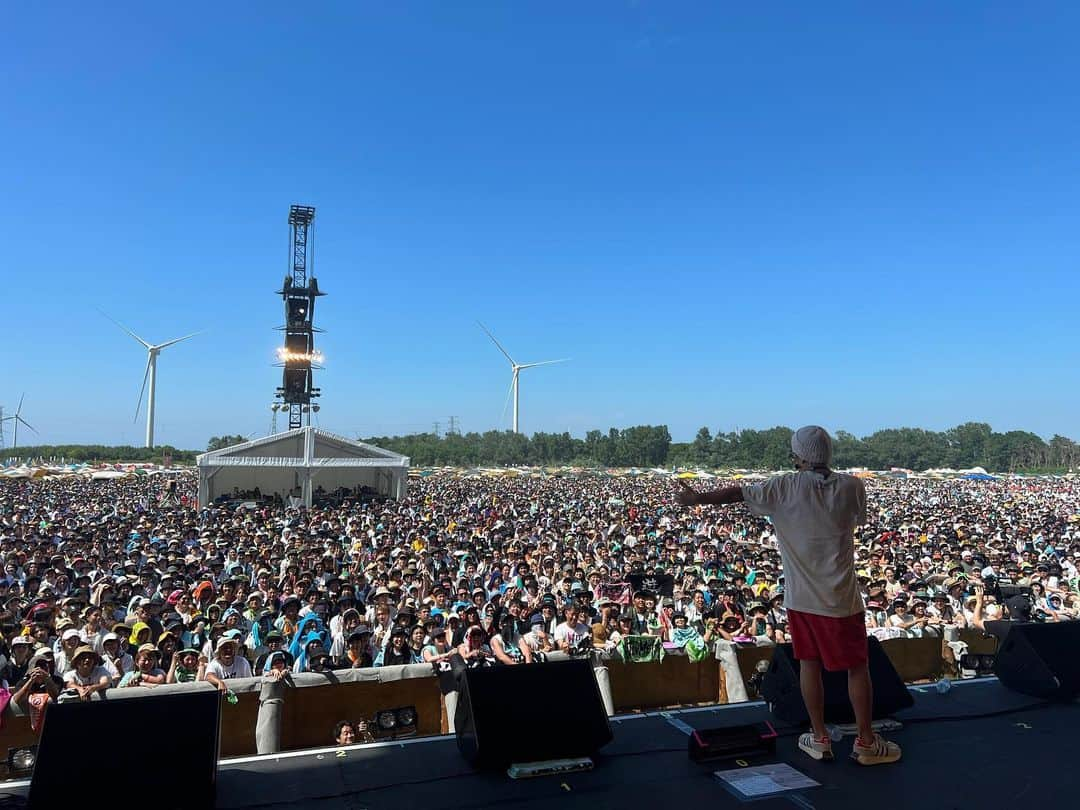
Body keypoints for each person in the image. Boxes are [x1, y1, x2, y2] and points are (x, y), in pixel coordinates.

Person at [677, 425, 901, 766]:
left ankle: (820, 738)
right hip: (842, 599)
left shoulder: (783, 487)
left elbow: (736, 493)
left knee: (808, 665)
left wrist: (695, 499)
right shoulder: (853, 486)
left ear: (798, 457)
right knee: (857, 668)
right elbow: (854, 518)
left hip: (800, 600)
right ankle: (866, 742)